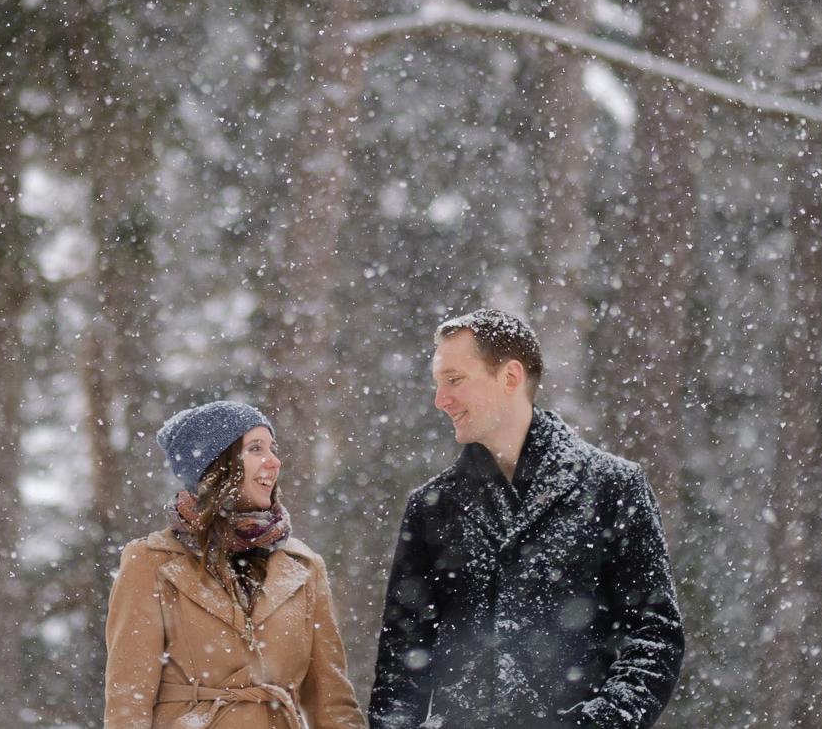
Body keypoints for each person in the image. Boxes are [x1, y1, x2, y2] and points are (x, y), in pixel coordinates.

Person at [369, 311, 684, 729]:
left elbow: (654, 637)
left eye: (454, 380)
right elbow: (400, 667)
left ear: (510, 376)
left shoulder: (615, 487)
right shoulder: (431, 507)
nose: (439, 400)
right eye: (438, 383)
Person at [105, 399, 367, 729]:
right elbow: (128, 701)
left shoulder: (304, 568)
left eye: (273, 448)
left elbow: (333, 706)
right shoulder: (150, 563)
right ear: (215, 465)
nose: (273, 461)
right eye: (256, 448)